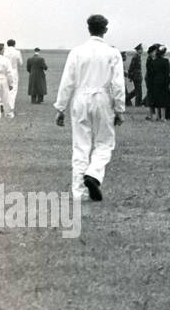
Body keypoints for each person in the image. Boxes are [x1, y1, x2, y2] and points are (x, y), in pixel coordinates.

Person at [53, 14, 125, 202]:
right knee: (105, 142)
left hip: (80, 98)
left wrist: (60, 107)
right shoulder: (112, 52)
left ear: (88, 28)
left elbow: (67, 81)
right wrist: (119, 109)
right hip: (102, 98)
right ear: (105, 30)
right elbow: (118, 84)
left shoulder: (77, 52)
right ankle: (93, 173)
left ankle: (79, 192)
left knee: (80, 145)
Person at [4, 40, 22, 113]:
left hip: (5, 72)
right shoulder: (17, 52)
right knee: (13, 90)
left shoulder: (4, 52)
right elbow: (20, 63)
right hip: (14, 71)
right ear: (14, 44)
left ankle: (3, 104)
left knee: (4, 88)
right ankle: (11, 106)